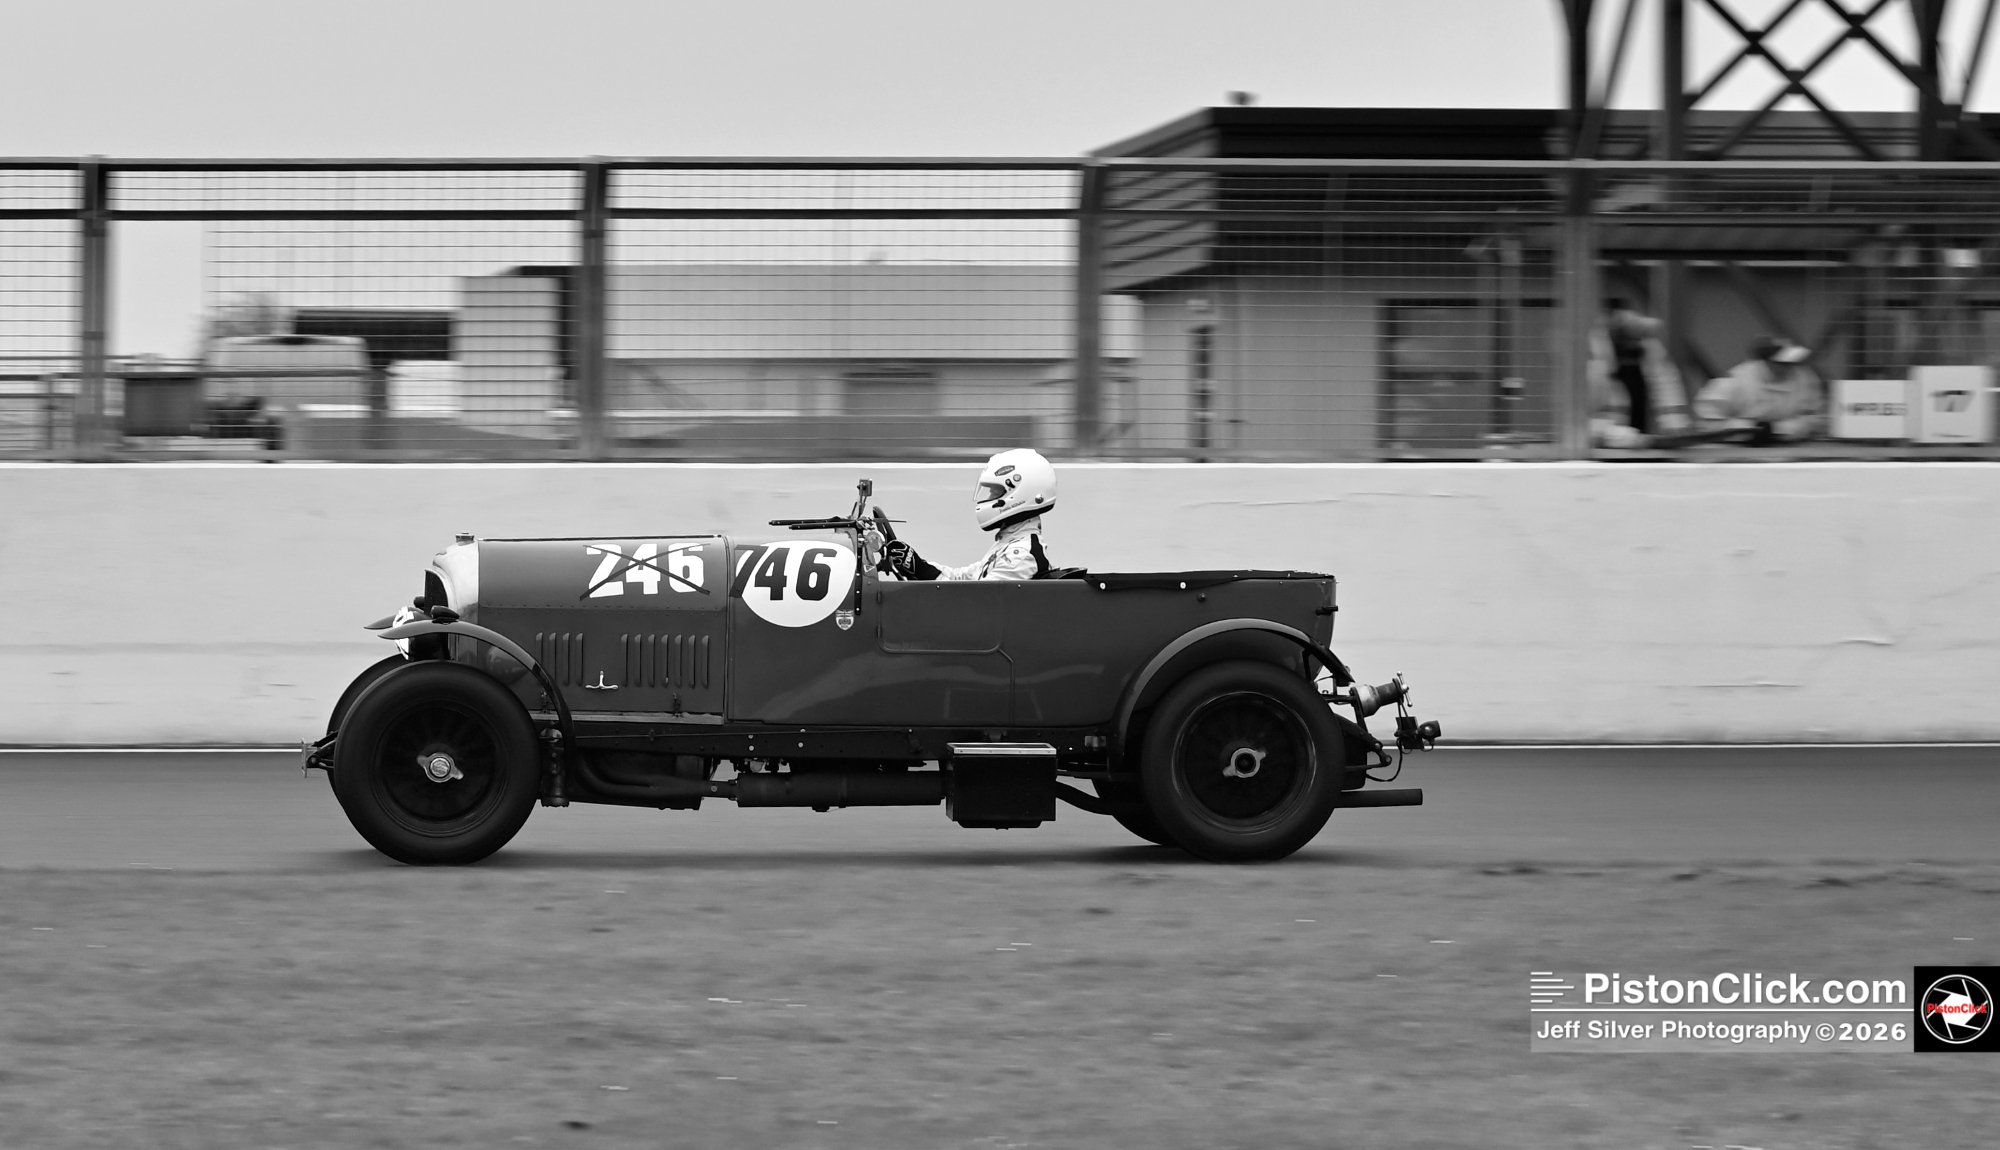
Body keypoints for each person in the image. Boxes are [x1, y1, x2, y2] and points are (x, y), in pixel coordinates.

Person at [883, 448, 1057, 581]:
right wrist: (919, 565)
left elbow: (973, 601)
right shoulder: (1010, 544)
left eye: (995, 492)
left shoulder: (1021, 555)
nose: (989, 498)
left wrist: (925, 573)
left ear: (1019, 494)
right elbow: (963, 578)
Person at [1589, 298, 1690, 447]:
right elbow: (1576, 424)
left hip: (1648, 447)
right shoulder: (1592, 360)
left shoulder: (1651, 352)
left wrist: (1677, 432)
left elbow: (1668, 392)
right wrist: (1611, 434)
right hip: (1604, 451)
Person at [1695, 336, 1825, 444]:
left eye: (1794, 362)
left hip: (1788, 445)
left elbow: (1814, 418)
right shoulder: (1733, 383)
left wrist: (1779, 429)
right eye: (1783, 362)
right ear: (1766, 361)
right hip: (1734, 447)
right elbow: (1707, 423)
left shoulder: (1806, 378)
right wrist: (1749, 428)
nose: (1790, 367)